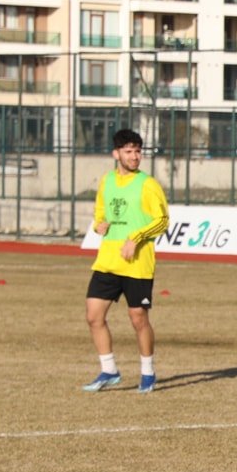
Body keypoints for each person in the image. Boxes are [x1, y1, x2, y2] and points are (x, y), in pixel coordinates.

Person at [80, 128, 170, 393]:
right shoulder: (106, 181)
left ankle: (148, 373)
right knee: (93, 317)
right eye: (129, 151)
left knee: (138, 318)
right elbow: (99, 213)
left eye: (138, 151)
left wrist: (136, 238)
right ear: (116, 153)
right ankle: (109, 370)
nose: (135, 157)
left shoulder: (148, 184)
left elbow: (163, 220)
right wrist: (99, 225)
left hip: (138, 263)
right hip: (107, 261)